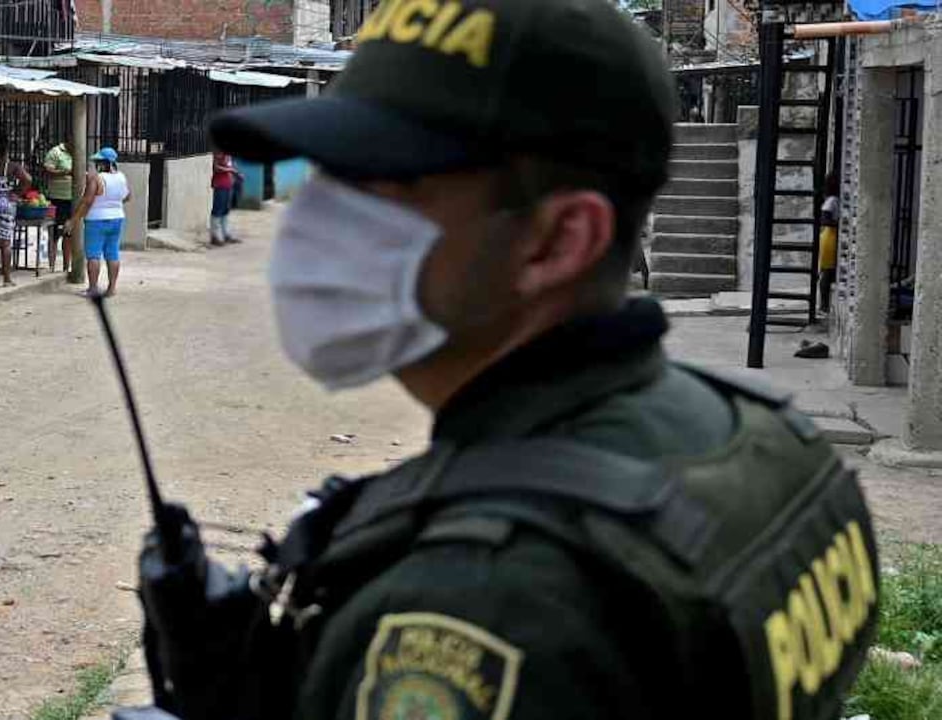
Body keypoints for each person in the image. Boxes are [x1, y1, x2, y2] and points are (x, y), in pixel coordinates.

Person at [133, 2, 880, 720]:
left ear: (557, 241)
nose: (317, 221)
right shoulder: (769, 443)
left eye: (384, 185)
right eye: (329, 177)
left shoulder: (479, 607)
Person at [83, 147, 130, 296]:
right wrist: (112, 202)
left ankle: (93, 288)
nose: (96, 164)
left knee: (93, 255)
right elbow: (127, 196)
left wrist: (75, 218)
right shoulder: (121, 177)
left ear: (104, 163)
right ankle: (112, 288)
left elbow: (88, 200)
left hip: (96, 220)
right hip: (117, 218)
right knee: (113, 253)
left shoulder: (97, 178)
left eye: (98, 162)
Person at [0, 130, 32, 287]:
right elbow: (28, 179)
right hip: (5, 205)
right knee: (5, 243)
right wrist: (16, 193)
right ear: (6, 148)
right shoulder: (11, 166)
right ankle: (6, 278)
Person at [44, 132, 76, 272]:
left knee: (68, 234)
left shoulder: (78, 153)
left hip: (72, 199)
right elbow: (47, 171)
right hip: (56, 198)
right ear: (69, 139)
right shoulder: (55, 152)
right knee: (54, 233)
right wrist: (65, 172)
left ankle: (66, 267)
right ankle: (51, 266)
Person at [210, 150, 243, 246]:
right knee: (218, 209)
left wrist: (236, 173)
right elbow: (216, 168)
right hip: (220, 184)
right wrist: (231, 170)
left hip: (228, 184)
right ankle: (215, 236)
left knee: (226, 210)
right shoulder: (219, 152)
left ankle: (226, 234)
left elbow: (231, 166)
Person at [819, 173, 840, 314]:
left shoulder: (832, 200)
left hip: (829, 236)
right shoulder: (832, 201)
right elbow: (825, 220)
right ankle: (824, 305)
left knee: (828, 271)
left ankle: (825, 304)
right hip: (830, 237)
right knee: (827, 271)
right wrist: (840, 224)